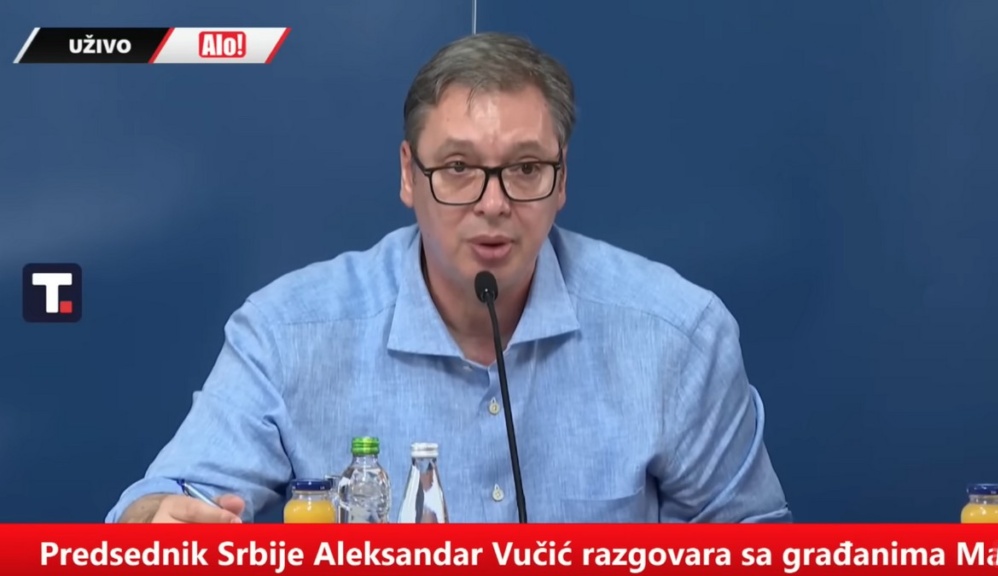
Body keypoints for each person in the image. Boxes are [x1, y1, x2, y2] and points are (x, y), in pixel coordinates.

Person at [106, 32, 791, 524]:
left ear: (562, 182)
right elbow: (159, 503)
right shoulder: (288, 332)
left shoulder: (677, 335)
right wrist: (158, 519)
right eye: (459, 168)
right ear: (409, 175)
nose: (493, 203)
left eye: (526, 168)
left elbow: (757, 545)